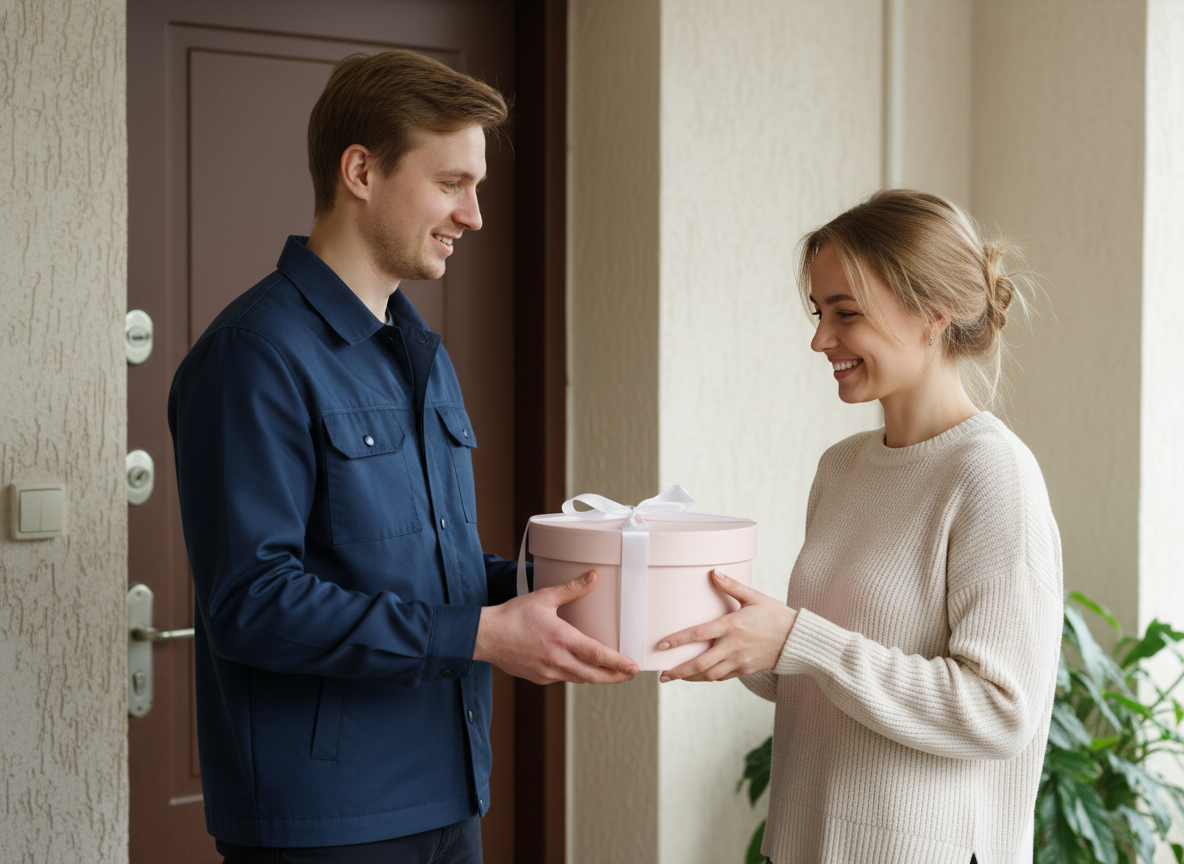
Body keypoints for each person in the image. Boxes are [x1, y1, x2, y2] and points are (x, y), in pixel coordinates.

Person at [168, 50, 637, 864]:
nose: (475, 214)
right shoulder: (253, 355)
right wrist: (479, 637)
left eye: (477, 186)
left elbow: (430, 571)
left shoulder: (416, 347)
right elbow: (252, 601)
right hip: (327, 822)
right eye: (452, 183)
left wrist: (576, 582)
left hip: (448, 794)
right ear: (361, 171)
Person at [657, 190, 1063, 864]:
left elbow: (999, 710)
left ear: (936, 314)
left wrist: (797, 638)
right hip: (803, 844)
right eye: (820, 313)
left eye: (845, 314)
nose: (820, 339)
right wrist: (727, 635)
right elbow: (833, 670)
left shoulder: (992, 475)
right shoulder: (842, 468)